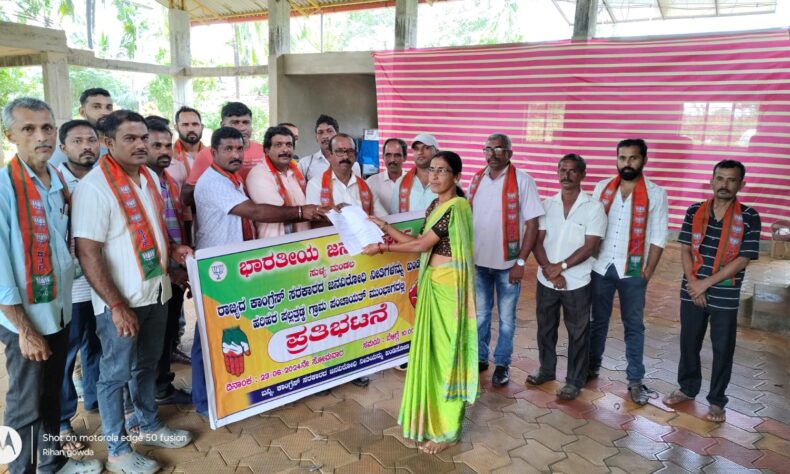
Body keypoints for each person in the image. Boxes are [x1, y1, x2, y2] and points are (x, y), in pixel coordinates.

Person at [73, 110, 193, 473]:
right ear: (108, 143)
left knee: (146, 365)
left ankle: (149, 424)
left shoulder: (149, 178)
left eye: (144, 138)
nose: (141, 145)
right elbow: (88, 251)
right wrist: (115, 304)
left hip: (156, 292)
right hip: (121, 302)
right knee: (114, 375)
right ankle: (118, 450)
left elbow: (151, 231)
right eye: (131, 138)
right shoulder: (94, 188)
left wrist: (172, 253)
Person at [192, 127, 326, 417]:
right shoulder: (215, 182)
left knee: (233, 331)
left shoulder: (233, 179)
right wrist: (302, 212)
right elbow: (257, 212)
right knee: (210, 336)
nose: (235, 154)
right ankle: (205, 403)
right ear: (213, 152)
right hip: (217, 268)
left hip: (237, 266)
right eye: (228, 149)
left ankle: (237, 393)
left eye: (239, 149)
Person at [0, 97, 102, 474]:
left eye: (46, 127)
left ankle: (52, 462)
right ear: (10, 135)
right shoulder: (5, 188)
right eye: (28, 129)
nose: (40, 136)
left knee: (50, 397)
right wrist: (24, 330)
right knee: (24, 406)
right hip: (25, 318)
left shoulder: (56, 179)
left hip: (58, 309)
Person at [361, 151, 477, 454]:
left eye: (442, 170)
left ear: (456, 176)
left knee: (447, 357)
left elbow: (422, 244)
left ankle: (448, 431)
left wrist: (382, 247)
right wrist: (384, 227)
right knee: (430, 355)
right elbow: (419, 245)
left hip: (449, 291)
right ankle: (431, 421)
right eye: (431, 170)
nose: (434, 176)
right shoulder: (435, 206)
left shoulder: (456, 207)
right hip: (432, 286)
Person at [663, 160, 760, 423]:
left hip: (725, 293)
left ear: (741, 184)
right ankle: (687, 388)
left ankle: (717, 401)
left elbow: (743, 259)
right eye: (720, 178)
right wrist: (694, 283)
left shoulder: (749, 216)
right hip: (692, 288)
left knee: (722, 348)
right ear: (711, 181)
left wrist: (704, 285)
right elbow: (685, 249)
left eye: (731, 180)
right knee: (689, 342)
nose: (724, 184)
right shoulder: (695, 210)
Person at [588, 138, 668, 405]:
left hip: (632, 270)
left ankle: (635, 379)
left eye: (633, 158)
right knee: (597, 322)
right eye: (622, 158)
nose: (627, 163)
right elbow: (592, 226)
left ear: (644, 160)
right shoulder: (602, 187)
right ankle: (591, 367)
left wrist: (647, 273)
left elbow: (658, 237)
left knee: (633, 326)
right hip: (601, 266)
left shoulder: (656, 193)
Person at [528, 154, 606, 400]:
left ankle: (574, 381)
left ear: (583, 175)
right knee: (545, 328)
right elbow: (537, 241)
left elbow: (590, 246)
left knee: (578, 333)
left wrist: (560, 267)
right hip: (547, 279)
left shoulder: (594, 207)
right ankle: (546, 370)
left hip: (578, 282)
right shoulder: (547, 205)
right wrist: (550, 271)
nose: (566, 175)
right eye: (562, 170)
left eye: (573, 171)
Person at [468, 133, 543, 386]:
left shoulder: (523, 181)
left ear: (509, 153)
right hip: (479, 262)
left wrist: (521, 262)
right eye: (487, 149)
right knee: (480, 315)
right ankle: (480, 358)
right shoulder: (477, 179)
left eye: (498, 149)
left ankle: (502, 363)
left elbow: (532, 224)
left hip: (508, 265)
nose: (492, 154)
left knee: (507, 319)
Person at [56, 119, 103, 452]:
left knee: (96, 344)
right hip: (69, 287)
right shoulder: (54, 183)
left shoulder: (105, 178)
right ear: (63, 148)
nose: (86, 146)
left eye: (91, 140)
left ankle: (98, 399)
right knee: (66, 354)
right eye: (77, 141)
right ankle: (61, 422)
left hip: (101, 281)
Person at [144, 118, 193, 406]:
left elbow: (177, 224)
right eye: (156, 145)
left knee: (167, 332)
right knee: (151, 339)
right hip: (153, 273)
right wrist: (169, 271)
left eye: (167, 145)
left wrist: (182, 268)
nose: (164, 151)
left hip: (174, 269)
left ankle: (162, 386)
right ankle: (147, 399)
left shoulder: (169, 181)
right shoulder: (139, 184)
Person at [181, 102, 265, 206]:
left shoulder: (264, 151)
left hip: (264, 212)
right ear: (222, 125)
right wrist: (220, 192)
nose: (242, 128)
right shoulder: (207, 154)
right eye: (235, 122)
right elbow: (187, 196)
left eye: (246, 122)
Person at [245, 126, 310, 238]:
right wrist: (308, 211)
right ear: (266, 150)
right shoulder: (259, 174)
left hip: (303, 241)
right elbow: (275, 213)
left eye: (289, 145)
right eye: (278, 145)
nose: (285, 150)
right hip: (274, 243)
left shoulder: (296, 172)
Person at [305, 133, 388, 218]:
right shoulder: (315, 185)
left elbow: (383, 217)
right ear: (330, 155)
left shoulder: (366, 187)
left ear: (355, 157)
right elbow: (314, 219)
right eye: (339, 151)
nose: (345, 157)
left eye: (350, 151)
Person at [50, 88, 113, 167]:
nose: (105, 112)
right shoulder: (68, 147)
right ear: (82, 112)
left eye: (108, 107)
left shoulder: (120, 144)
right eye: (97, 107)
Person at [297, 114, 361, 181]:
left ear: (337, 135)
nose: (325, 136)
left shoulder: (353, 165)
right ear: (316, 137)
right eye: (320, 132)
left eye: (329, 131)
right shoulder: (305, 164)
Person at [389, 134, 438, 214]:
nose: (420, 152)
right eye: (416, 149)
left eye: (426, 148)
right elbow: (394, 216)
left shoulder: (447, 181)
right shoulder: (400, 183)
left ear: (436, 151)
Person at [366, 137, 406, 214]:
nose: (392, 160)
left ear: (405, 157)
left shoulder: (413, 181)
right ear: (383, 157)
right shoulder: (371, 183)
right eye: (388, 155)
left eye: (397, 155)